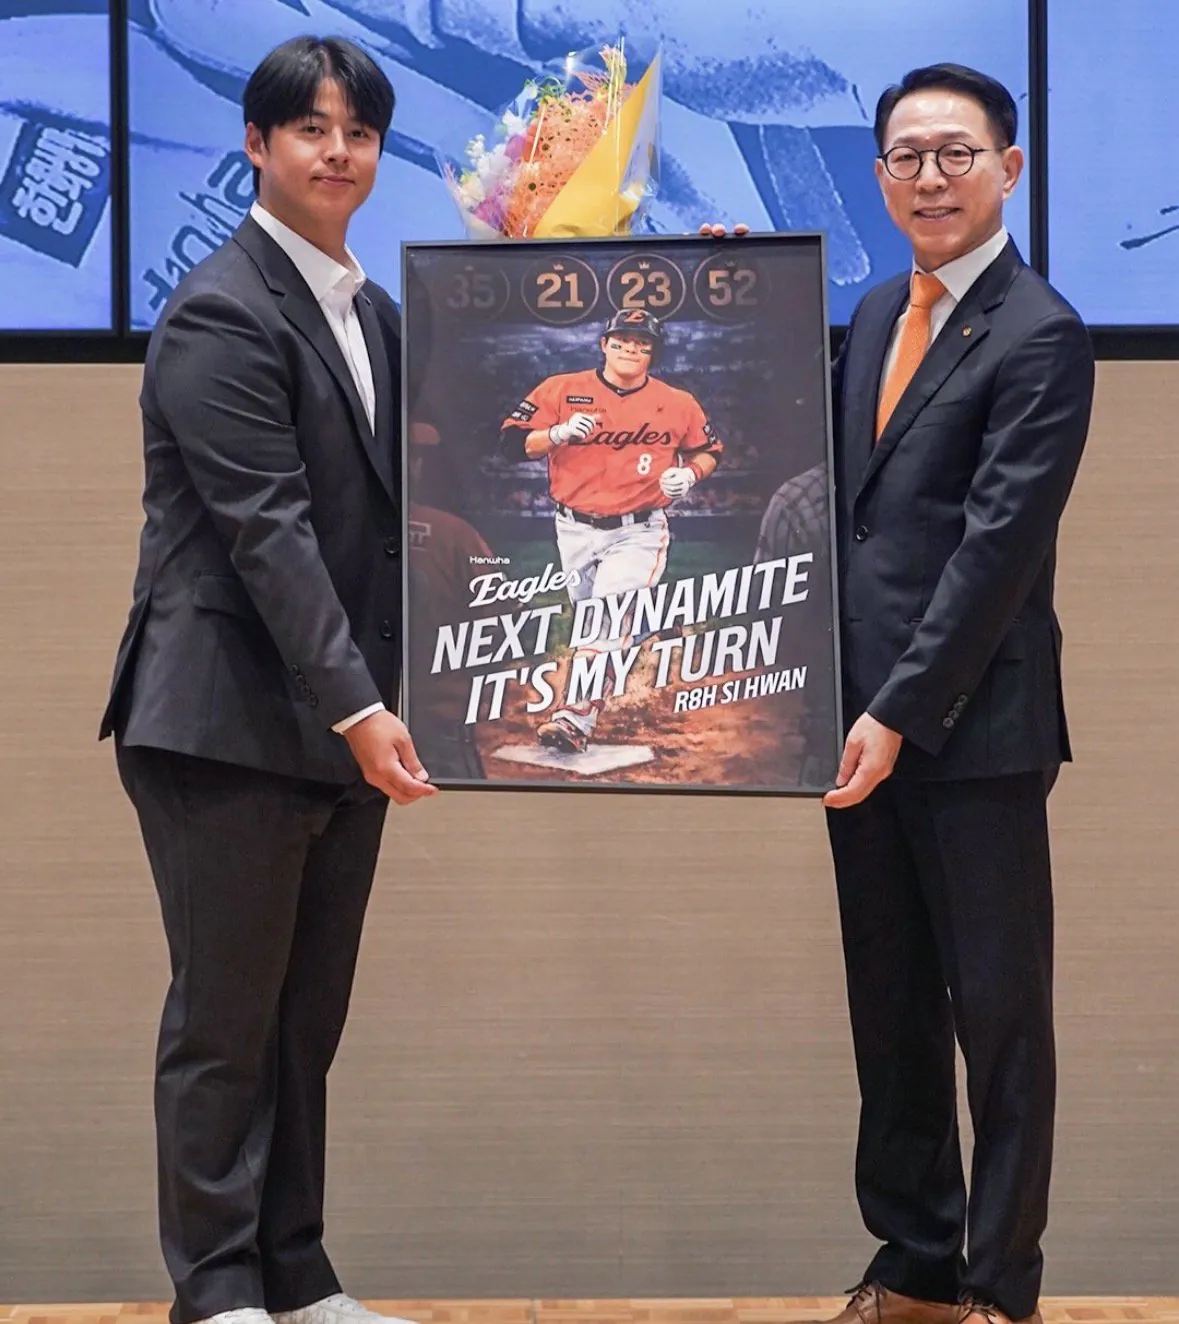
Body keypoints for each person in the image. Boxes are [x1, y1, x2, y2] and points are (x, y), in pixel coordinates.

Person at [709, 59, 1093, 1324]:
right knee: (891, 1013)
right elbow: (816, 477)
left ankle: (1001, 1287)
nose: (931, 177)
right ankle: (917, 1260)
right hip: (853, 727)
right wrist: (730, 306)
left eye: (956, 153)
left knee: (1001, 1020)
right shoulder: (876, 313)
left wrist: (896, 712)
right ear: (879, 177)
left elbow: (994, 556)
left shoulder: (1041, 333)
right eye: (907, 157)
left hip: (969, 732)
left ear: (1009, 169)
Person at [98, 34, 436, 1324]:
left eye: (360, 132)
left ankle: (297, 1276)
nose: (337, 152)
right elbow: (268, 531)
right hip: (226, 721)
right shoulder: (220, 309)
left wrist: (679, 290)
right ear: (257, 144)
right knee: (226, 1022)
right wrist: (361, 704)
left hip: (340, 723)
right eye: (311, 129)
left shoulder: (378, 317)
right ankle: (218, 1288)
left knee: (304, 1022)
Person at [498, 307, 724, 753]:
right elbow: (510, 444)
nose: (630, 349)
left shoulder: (677, 402)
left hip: (638, 529)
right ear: (604, 344)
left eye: (642, 344)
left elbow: (709, 449)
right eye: (622, 340)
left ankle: (573, 718)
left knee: (601, 621)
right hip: (573, 528)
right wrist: (557, 433)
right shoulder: (561, 389)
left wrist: (691, 474)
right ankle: (642, 627)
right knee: (594, 619)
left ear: (653, 353)